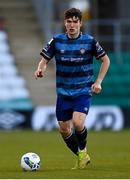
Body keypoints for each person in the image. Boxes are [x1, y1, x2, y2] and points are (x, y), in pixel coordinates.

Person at [34, 8, 110, 169]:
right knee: (63, 129)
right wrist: (40, 69)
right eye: (69, 21)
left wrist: (98, 82)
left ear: (81, 23)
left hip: (83, 90)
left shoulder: (89, 41)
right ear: (65, 23)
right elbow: (44, 60)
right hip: (63, 93)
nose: (72, 25)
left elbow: (106, 60)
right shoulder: (56, 41)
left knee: (77, 122)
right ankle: (82, 155)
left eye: (75, 21)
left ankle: (82, 151)